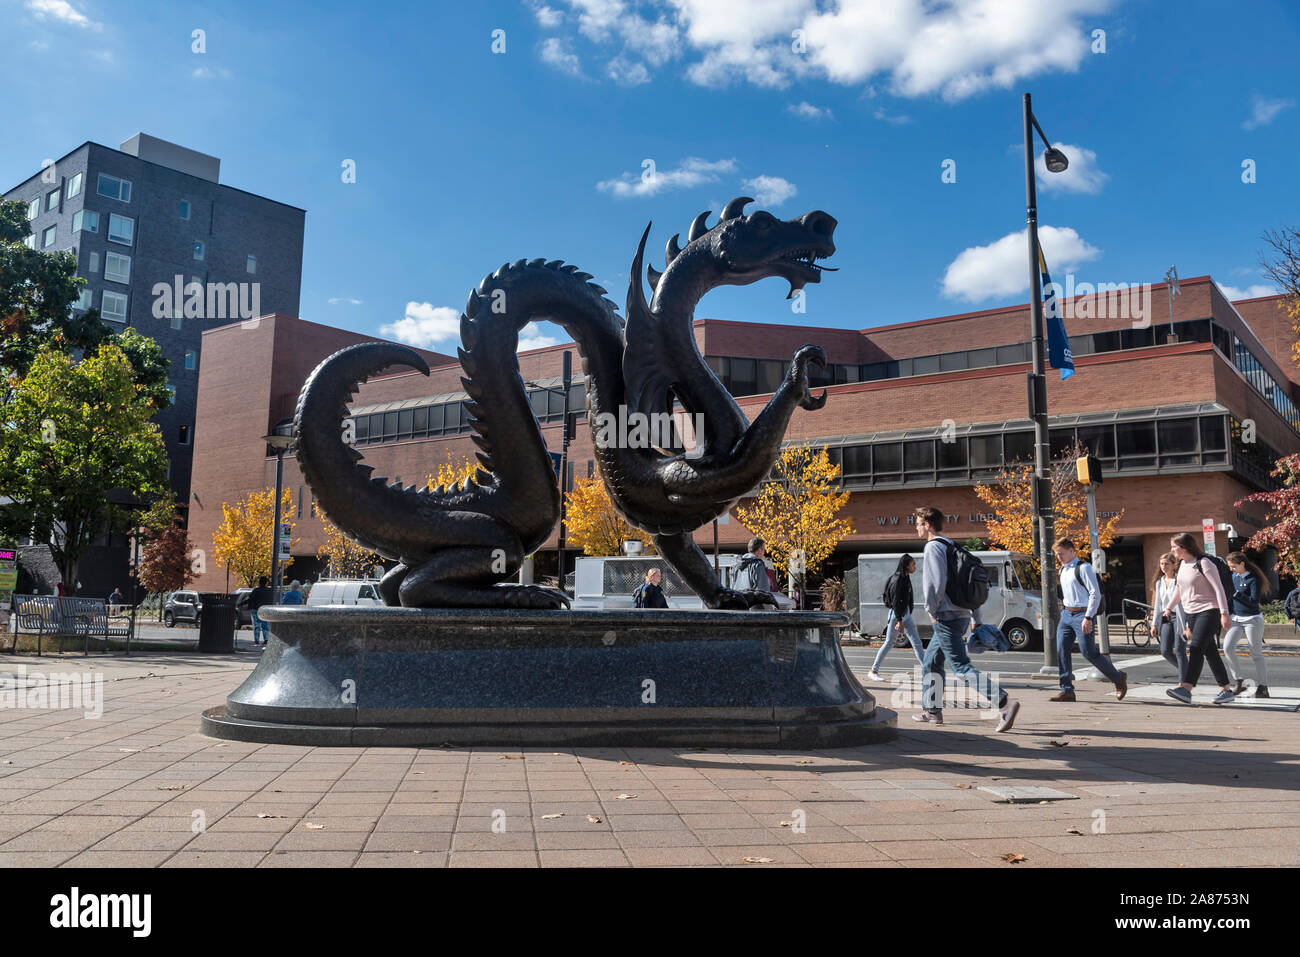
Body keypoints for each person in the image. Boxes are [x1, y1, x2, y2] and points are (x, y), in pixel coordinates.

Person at [913, 506, 1019, 732]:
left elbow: (935, 584)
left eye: (918, 523)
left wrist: (931, 612)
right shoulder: (953, 545)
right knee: (931, 661)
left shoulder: (933, 547)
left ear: (928, 525)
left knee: (960, 667)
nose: (917, 528)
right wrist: (975, 618)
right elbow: (969, 584)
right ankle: (931, 711)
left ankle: (1004, 704)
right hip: (961, 614)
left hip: (945, 617)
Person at [1051, 538, 1127, 702]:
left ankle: (1118, 678)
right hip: (1066, 615)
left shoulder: (1084, 568)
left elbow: (1095, 594)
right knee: (1061, 650)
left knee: (1089, 652)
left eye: (1061, 554)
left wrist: (1088, 617)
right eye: (1057, 555)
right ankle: (1067, 690)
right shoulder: (1063, 570)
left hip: (1082, 615)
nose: (1059, 557)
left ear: (1072, 551)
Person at [1163, 533, 1235, 705]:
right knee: (1210, 652)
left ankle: (1186, 689)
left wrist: (1224, 613)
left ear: (1184, 547)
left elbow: (1218, 589)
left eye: (1174, 546)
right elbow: (1179, 590)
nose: (1172, 550)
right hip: (1191, 613)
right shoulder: (1182, 565)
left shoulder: (1204, 563)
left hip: (1209, 611)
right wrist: (1168, 608)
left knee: (1195, 648)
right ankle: (1226, 690)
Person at [868, 554, 923, 681]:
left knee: (917, 643)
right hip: (897, 615)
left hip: (905, 614)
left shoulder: (905, 577)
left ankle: (927, 671)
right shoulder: (898, 579)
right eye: (913, 564)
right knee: (889, 643)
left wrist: (907, 613)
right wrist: (899, 620)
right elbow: (896, 601)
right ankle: (873, 671)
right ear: (906, 565)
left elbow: (906, 599)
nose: (915, 566)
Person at [1223, 552, 1270, 698]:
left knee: (1256, 653)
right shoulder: (1234, 577)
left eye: (1234, 566)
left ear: (1242, 564)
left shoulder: (1253, 579)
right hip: (1236, 618)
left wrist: (1236, 593)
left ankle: (1263, 687)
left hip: (1252, 619)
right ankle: (1239, 682)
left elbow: (1254, 601)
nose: (1231, 569)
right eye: (1230, 566)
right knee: (1227, 647)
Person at [1150, 552, 1187, 681]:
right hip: (1165, 617)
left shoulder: (1179, 580)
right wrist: (1154, 624)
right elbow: (1158, 605)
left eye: (1167, 564)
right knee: (1165, 650)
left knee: (1180, 650)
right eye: (1161, 564)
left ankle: (1183, 681)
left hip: (1179, 616)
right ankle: (1187, 672)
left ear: (1174, 565)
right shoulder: (1159, 582)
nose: (1163, 566)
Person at [247, 576, 274, 647]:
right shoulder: (269, 591)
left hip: (256, 609)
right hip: (266, 610)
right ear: (266, 582)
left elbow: (250, 599)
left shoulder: (256, 590)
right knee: (266, 626)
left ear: (259, 582)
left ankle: (256, 641)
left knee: (257, 625)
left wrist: (241, 604)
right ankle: (266, 640)